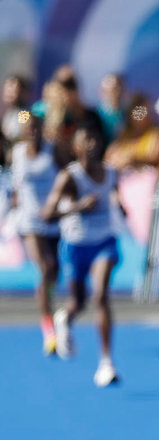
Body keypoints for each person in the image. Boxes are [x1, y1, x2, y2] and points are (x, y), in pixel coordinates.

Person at [40, 121, 124, 386]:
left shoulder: (110, 173)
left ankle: (106, 362)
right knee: (79, 302)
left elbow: (116, 198)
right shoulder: (69, 177)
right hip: (76, 244)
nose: (91, 144)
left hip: (104, 242)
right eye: (85, 140)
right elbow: (47, 214)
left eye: (94, 139)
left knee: (101, 296)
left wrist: (120, 207)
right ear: (75, 147)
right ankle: (64, 317)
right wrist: (77, 207)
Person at [10, 112, 62, 353]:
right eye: (28, 128)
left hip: (53, 219)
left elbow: (66, 179)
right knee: (43, 268)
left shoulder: (54, 151)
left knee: (54, 270)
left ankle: (47, 297)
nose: (32, 131)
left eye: (36, 127)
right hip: (29, 221)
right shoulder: (17, 153)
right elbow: (16, 186)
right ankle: (48, 327)